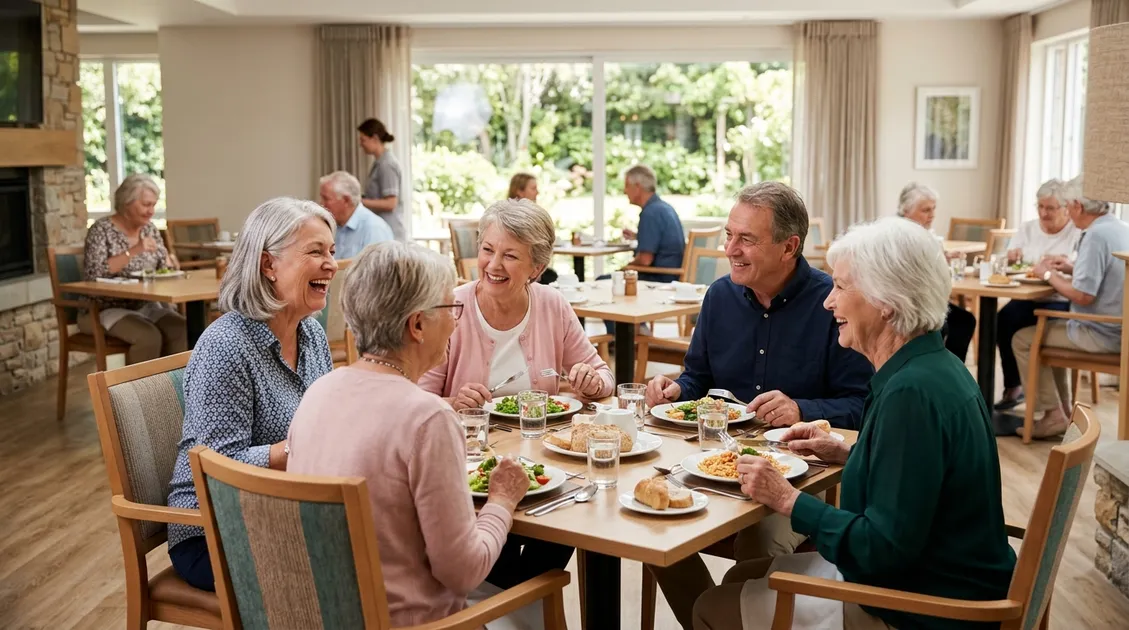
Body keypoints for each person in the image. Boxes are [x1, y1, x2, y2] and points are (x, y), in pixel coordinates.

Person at [693, 217, 1015, 630]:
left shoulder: (911, 394)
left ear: (886, 301)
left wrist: (788, 500)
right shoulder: (934, 367)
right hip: (939, 576)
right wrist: (850, 452)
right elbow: (919, 478)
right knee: (742, 575)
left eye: (841, 287)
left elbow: (879, 552)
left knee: (709, 607)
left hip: (925, 607)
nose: (829, 302)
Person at [643, 181, 873, 629]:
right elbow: (697, 379)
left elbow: (861, 405)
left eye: (746, 239)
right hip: (710, 461)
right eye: (729, 235)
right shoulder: (719, 296)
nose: (730, 249)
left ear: (789, 247)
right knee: (654, 524)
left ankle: (727, 617)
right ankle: (710, 620)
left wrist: (802, 409)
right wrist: (676, 390)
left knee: (759, 541)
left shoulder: (833, 304)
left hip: (800, 472)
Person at [287, 241, 544, 626]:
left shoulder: (318, 392)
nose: (456, 322)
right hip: (414, 624)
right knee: (541, 583)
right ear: (418, 325)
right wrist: (502, 500)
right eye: (451, 309)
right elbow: (464, 572)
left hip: (324, 616)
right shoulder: (427, 418)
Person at [165, 197, 338, 591]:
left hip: (285, 510)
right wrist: (296, 450)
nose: (331, 264)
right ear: (267, 264)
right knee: (362, 563)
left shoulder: (311, 333)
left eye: (331, 251)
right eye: (315, 252)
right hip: (213, 532)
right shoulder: (227, 346)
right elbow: (215, 466)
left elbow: (326, 422)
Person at [420, 198, 615, 407]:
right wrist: (454, 403)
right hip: (469, 429)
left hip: (541, 429)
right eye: (487, 250)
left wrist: (592, 383)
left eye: (510, 256)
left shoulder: (552, 305)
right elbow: (417, 400)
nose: (494, 265)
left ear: (537, 269)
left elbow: (604, 376)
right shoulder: (450, 308)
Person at [1013, 174, 1129, 438]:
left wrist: (1046, 274)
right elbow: (1103, 275)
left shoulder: (1095, 235)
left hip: (1101, 333)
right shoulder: (1119, 228)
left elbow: (1083, 296)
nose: (1066, 211)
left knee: (1022, 339)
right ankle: (1063, 411)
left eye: (1067, 205)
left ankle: (1053, 414)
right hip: (1121, 329)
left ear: (1077, 206)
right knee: (1049, 332)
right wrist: (1069, 267)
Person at [80, 173, 187, 364]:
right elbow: (94, 273)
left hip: (146, 305)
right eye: (146, 205)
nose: (151, 211)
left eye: (154, 205)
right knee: (149, 337)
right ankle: (140, 385)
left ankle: (172, 382)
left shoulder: (149, 229)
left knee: (183, 329)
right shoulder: (101, 229)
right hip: (105, 308)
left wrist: (171, 265)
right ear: (126, 203)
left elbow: (162, 268)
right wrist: (135, 250)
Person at [994, 179, 1080, 410]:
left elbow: (1079, 272)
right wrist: (1010, 258)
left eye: (1050, 208)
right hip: (1027, 295)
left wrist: (1059, 267)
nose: (1043, 213)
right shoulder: (1028, 228)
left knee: (1026, 330)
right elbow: (1008, 262)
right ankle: (1014, 386)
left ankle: (1050, 401)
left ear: (1066, 208)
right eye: (1040, 206)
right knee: (1002, 320)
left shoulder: (1076, 232)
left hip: (1060, 299)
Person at [896, 182, 977, 363]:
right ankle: (941, 370)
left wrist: (944, 258)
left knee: (965, 320)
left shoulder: (926, 233)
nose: (932, 215)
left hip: (930, 299)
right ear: (906, 211)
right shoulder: (898, 234)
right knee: (950, 323)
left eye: (933, 209)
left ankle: (952, 372)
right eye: (926, 210)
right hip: (909, 303)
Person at [621, 164, 685, 282]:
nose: (625, 191)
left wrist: (625, 268)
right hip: (672, 275)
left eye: (627, 186)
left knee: (603, 279)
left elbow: (645, 260)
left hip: (657, 278)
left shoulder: (650, 213)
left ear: (637, 187)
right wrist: (638, 236)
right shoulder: (665, 208)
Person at [318, 170, 394, 259]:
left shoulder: (374, 228)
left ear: (346, 200)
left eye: (326, 199)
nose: (321, 204)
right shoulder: (332, 226)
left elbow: (376, 267)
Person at [358, 117, 406, 241]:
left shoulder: (387, 164)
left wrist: (359, 201)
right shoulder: (379, 163)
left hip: (391, 233)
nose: (360, 144)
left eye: (363, 140)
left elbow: (391, 203)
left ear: (375, 138)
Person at [507, 173, 558, 284]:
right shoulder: (511, 219)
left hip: (530, 267)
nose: (537, 192)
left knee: (552, 276)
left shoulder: (532, 215)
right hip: (520, 268)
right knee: (552, 277)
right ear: (519, 191)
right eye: (533, 188)